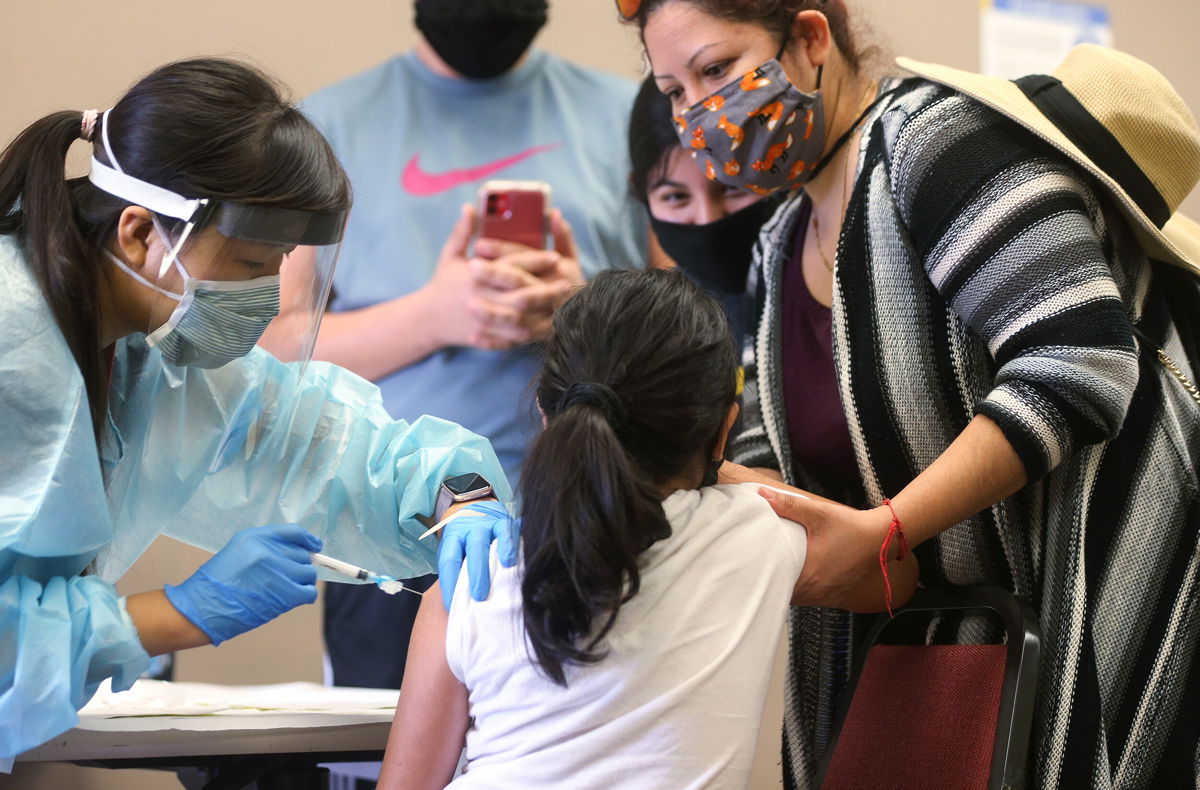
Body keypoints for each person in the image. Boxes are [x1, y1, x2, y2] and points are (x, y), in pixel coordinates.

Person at [627, 1, 1200, 788]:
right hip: (921, 660)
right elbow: (763, 447)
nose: (697, 111)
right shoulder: (778, 239)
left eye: (717, 70)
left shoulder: (938, 144)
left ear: (809, 38)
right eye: (673, 90)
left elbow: (1076, 359)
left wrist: (886, 530)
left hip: (1074, 621)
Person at [0, 58, 516, 766]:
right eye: (249, 266)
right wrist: (183, 612)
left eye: (279, 265)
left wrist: (458, 497)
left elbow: (317, 445)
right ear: (140, 233)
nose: (268, 298)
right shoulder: (13, 343)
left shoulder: (151, 354)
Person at [374, 269, 916, 790]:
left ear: (546, 414)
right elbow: (893, 569)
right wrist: (727, 468)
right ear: (723, 426)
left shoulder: (471, 577)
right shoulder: (755, 532)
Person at [284, 0, 646, 739]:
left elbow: (698, 324)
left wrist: (583, 311)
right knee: (384, 755)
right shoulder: (328, 127)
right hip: (389, 535)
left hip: (590, 519)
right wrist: (436, 316)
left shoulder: (633, 116)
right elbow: (278, 345)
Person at [627, 75, 784, 342]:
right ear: (641, 193)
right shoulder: (657, 337)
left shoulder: (827, 296)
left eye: (732, 186)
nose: (707, 219)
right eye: (676, 196)